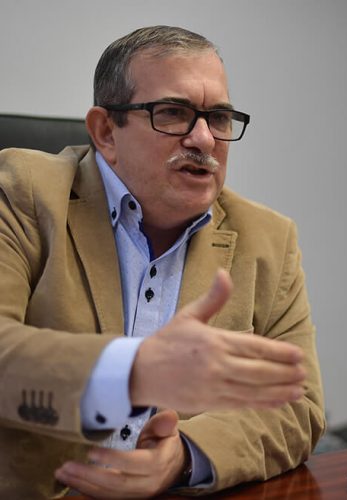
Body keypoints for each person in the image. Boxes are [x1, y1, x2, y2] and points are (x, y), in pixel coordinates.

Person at [0, 26, 325, 498]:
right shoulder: (23, 193)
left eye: (219, 118)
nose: (204, 139)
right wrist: (132, 371)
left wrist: (183, 456)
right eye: (173, 113)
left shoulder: (269, 239)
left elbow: (299, 406)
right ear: (106, 131)